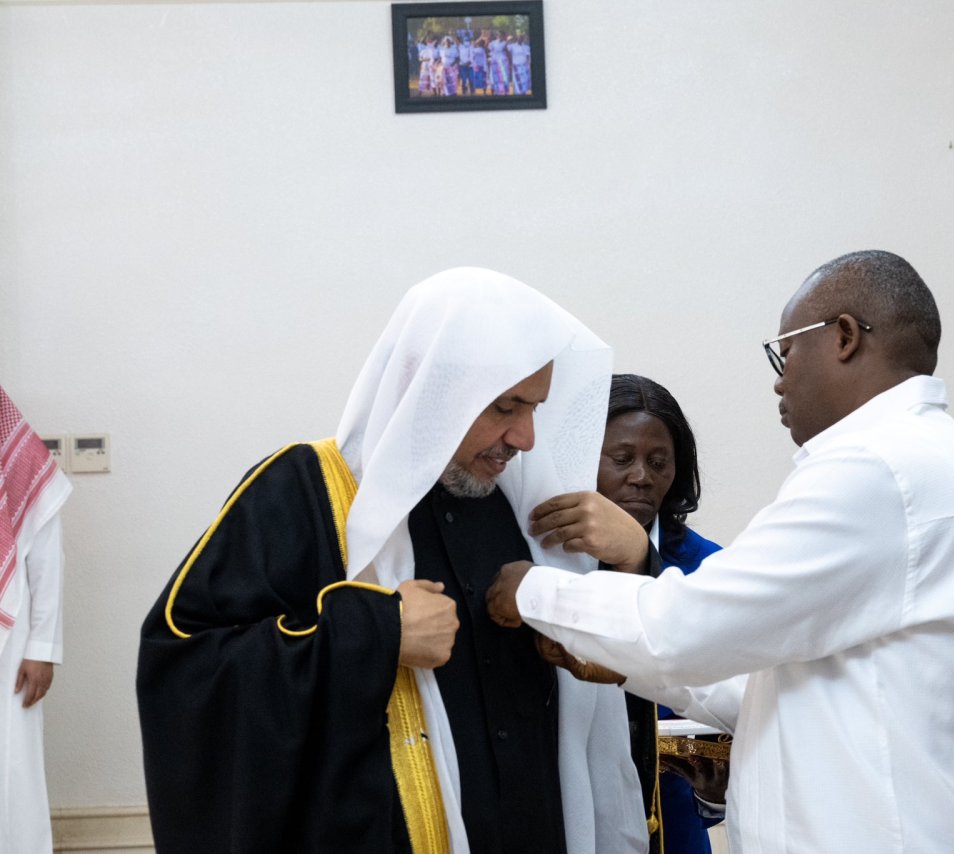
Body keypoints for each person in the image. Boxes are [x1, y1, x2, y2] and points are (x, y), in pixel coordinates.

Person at [489, 251, 954, 853]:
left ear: (843, 337)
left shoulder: (876, 468)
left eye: (786, 352)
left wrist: (531, 590)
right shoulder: (917, 454)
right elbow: (774, 679)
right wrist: (618, 664)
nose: (780, 379)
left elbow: (687, 628)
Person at [137, 268, 648, 854]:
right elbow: (183, 666)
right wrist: (376, 634)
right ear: (429, 386)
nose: (526, 438)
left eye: (534, 408)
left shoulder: (535, 516)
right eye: (506, 407)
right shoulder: (304, 491)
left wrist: (631, 564)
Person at [596, 374, 724, 854]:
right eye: (622, 459)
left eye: (658, 462)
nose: (641, 477)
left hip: (674, 832)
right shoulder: (543, 563)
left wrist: (715, 795)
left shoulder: (709, 569)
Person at [0, 385, 72, 854]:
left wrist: (42, 647)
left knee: (13, 764)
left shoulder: (7, 434)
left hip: (9, 641)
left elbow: (46, 549)